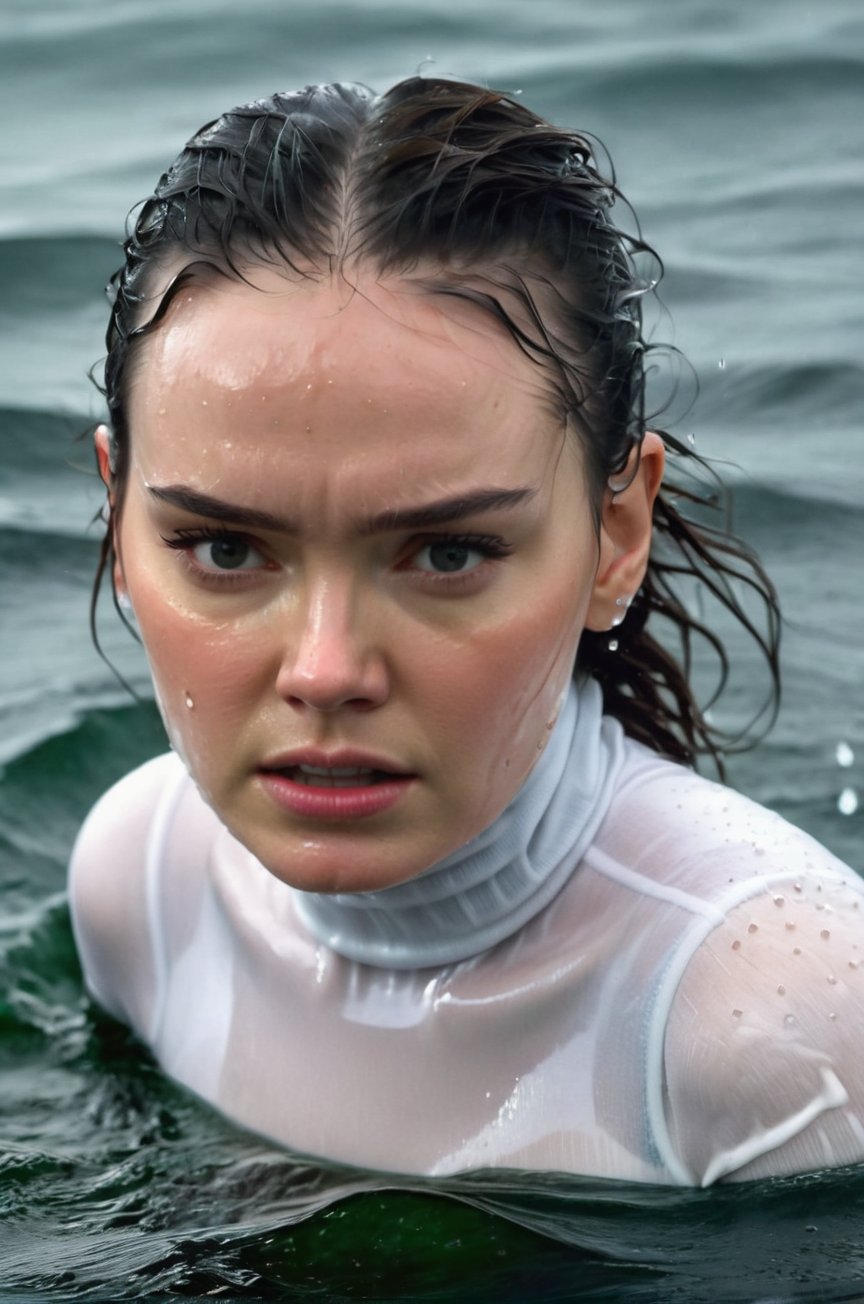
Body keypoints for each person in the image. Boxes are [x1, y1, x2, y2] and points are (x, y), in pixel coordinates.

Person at [69, 77, 864, 1188]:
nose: (326, 670)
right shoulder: (137, 881)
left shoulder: (777, 1031)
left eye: (446, 553)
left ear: (614, 534)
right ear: (117, 518)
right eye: (225, 548)